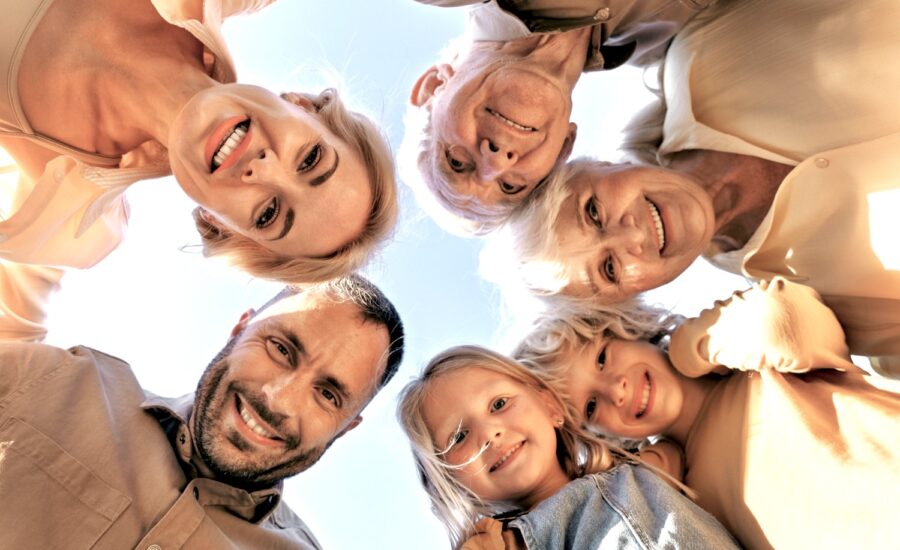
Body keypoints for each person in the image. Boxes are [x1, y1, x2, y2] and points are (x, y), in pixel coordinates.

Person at [502, 0, 900, 372]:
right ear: (634, 297)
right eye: (610, 268)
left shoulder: (703, 49)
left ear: (597, 165)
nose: (630, 236)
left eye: (593, 212)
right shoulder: (827, 312)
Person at [0, 0, 397, 283]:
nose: (262, 168)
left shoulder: (68, 219)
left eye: (268, 214)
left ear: (220, 224)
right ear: (303, 105)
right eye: (310, 159)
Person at [0, 272, 405, 548]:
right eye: (281, 349)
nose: (279, 399)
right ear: (239, 329)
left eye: (328, 395)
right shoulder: (56, 379)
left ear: (347, 428)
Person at [516, 277, 900, 549]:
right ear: (594, 434)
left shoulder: (748, 361)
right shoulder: (678, 489)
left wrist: (688, 347)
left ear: (627, 329)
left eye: (602, 358)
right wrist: (651, 466)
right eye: (591, 406)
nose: (615, 389)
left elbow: (783, 319)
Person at [402, 0, 715, 234]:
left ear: (433, 87)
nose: (496, 162)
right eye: (511, 186)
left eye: (456, 161)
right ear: (564, 147)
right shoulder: (670, 46)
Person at [397, 345, 738, 549]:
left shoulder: (632, 470)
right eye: (458, 437)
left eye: (499, 404)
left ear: (550, 406)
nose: (489, 434)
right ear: (454, 486)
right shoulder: (507, 544)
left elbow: (677, 445)